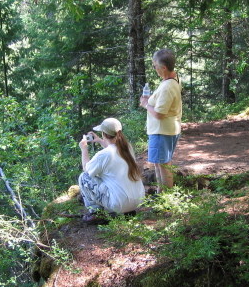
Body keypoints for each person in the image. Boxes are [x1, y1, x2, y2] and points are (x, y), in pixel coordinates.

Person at [78, 118, 145, 225]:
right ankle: (128, 212)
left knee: (83, 177)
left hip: (119, 204)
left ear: (104, 133)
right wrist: (100, 140)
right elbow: (112, 150)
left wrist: (84, 149)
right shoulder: (127, 148)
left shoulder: (103, 155)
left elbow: (87, 169)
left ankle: (96, 213)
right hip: (138, 200)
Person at [139, 48, 182, 194]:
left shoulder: (167, 87)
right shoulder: (173, 79)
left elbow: (159, 114)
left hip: (161, 130)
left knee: (163, 165)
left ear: (164, 67)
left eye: (155, 66)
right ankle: (161, 192)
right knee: (161, 164)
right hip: (167, 129)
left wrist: (146, 104)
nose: (154, 69)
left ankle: (164, 196)